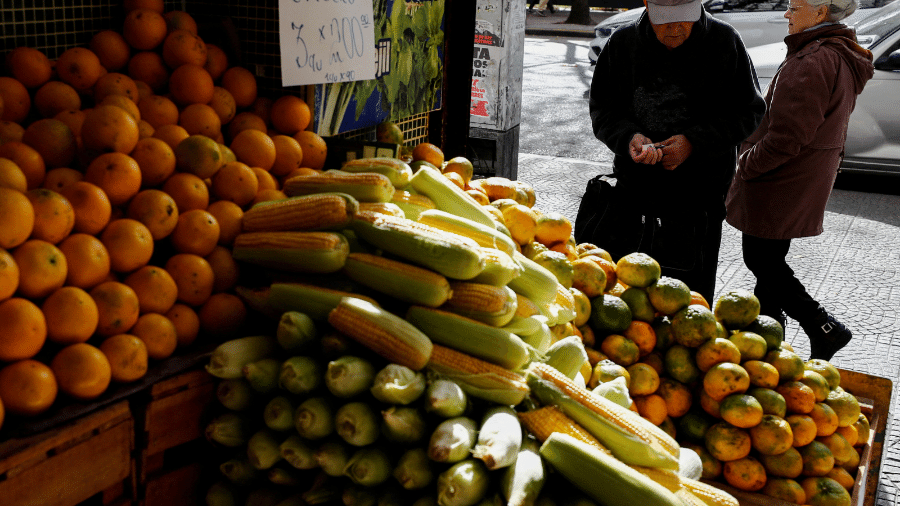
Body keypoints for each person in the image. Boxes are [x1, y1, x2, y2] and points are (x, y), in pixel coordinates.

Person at [588, 0, 765, 304]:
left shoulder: (724, 41)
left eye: (684, 19)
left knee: (689, 299)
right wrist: (629, 138)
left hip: (700, 198)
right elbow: (603, 110)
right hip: (634, 194)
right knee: (628, 298)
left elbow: (749, 111)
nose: (675, 28)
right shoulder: (622, 43)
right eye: (665, 20)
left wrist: (694, 142)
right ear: (646, 5)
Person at [725, 0, 874, 361]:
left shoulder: (813, 60)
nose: (787, 14)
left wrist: (746, 164)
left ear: (820, 13)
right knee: (770, 261)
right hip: (799, 179)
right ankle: (767, 336)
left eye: (795, 7)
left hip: (779, 181)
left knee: (762, 260)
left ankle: (823, 326)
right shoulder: (835, 52)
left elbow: (786, 138)